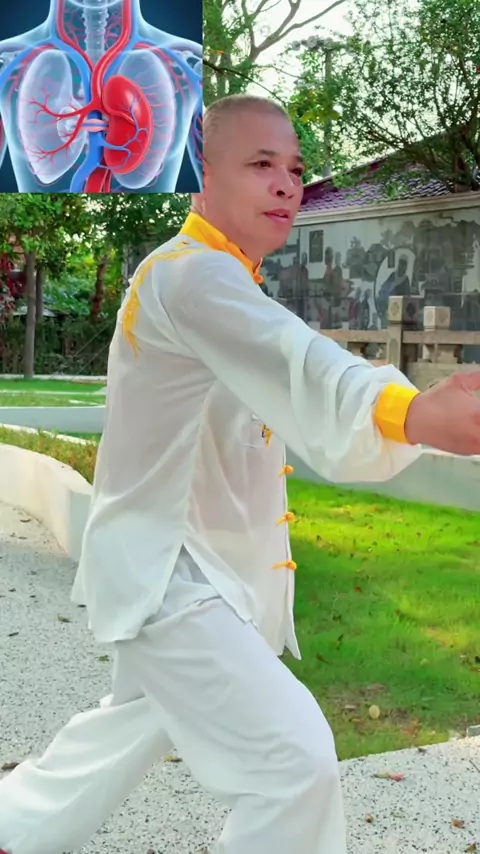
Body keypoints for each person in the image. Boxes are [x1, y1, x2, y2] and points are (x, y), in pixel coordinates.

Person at [1, 94, 480, 854]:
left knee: (118, 735)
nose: (288, 183)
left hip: (191, 569)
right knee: (292, 764)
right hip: (170, 575)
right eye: (261, 164)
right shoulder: (190, 276)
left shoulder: (220, 279)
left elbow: (273, 378)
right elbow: (301, 363)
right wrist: (410, 413)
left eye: (294, 168)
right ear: (199, 177)